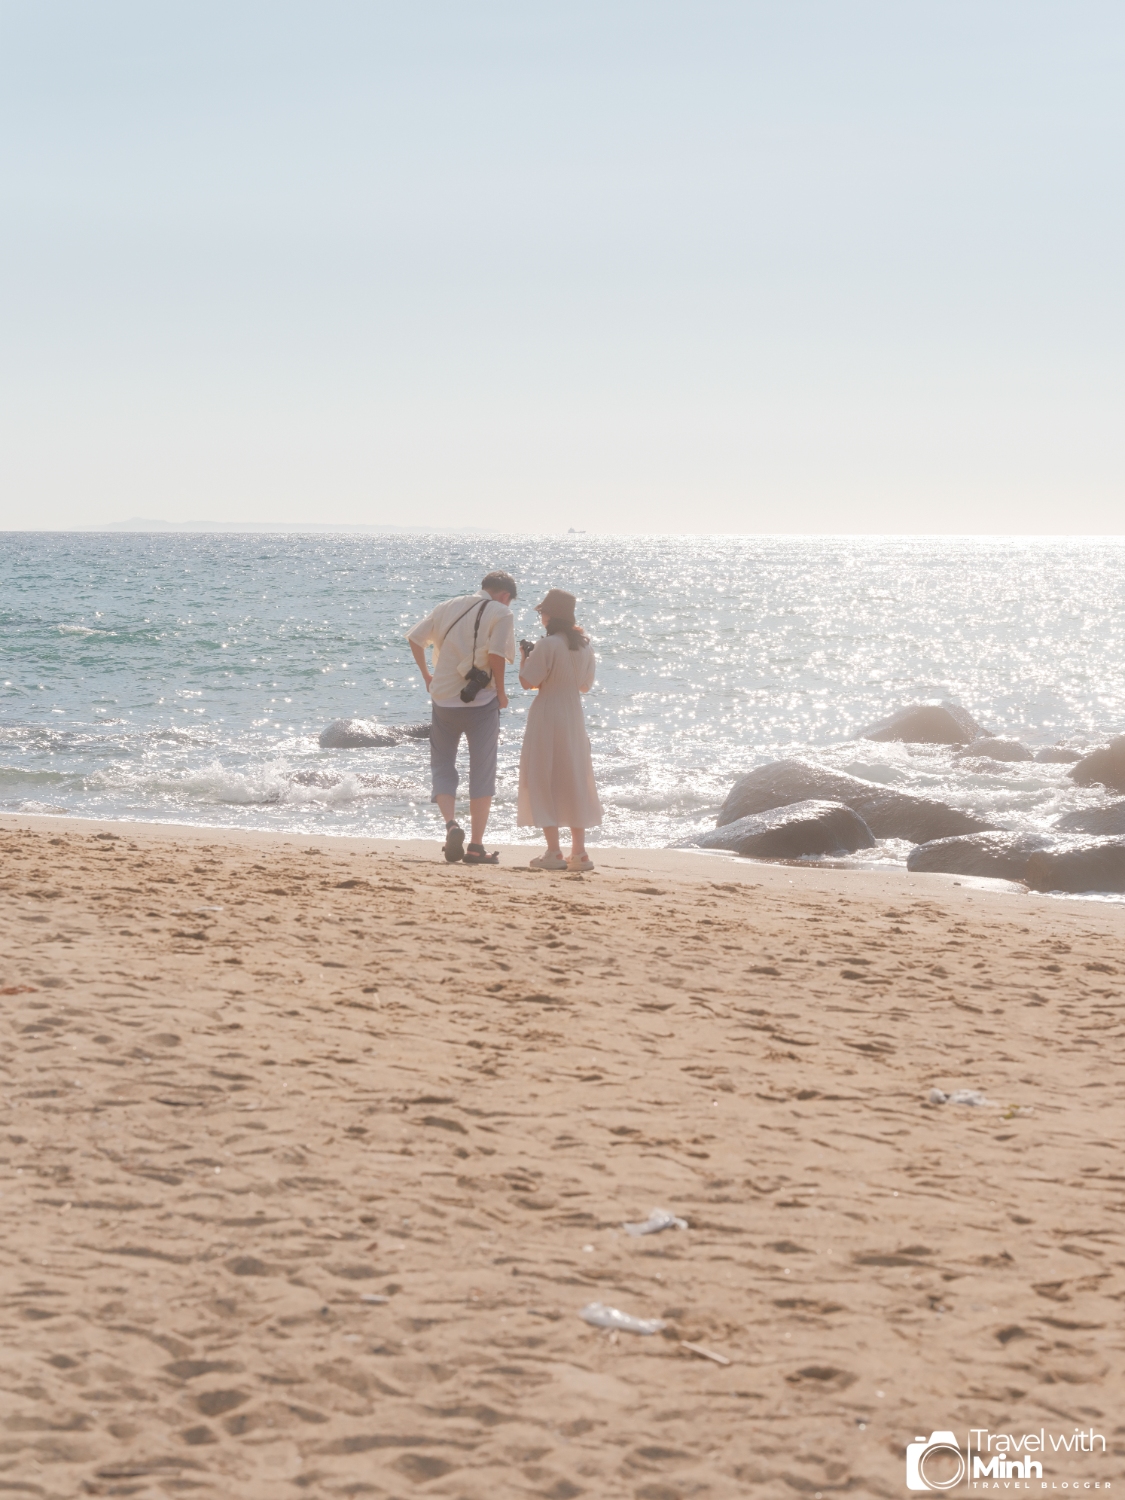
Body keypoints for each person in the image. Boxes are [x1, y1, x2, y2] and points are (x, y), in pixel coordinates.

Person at [407, 570, 517, 865]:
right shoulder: (501, 613)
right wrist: (503, 694)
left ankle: (451, 825)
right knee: (482, 771)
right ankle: (475, 847)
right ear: (505, 595)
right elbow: (496, 655)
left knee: (442, 765)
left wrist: (427, 676)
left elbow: (415, 639)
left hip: (443, 700)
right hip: (481, 702)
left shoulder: (447, 607)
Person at [517, 587, 602, 872]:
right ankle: (579, 853)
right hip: (573, 716)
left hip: (547, 714)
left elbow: (528, 682)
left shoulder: (548, 644)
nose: (541, 616)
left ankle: (553, 851)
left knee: (543, 776)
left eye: (542, 612)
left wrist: (524, 657)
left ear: (550, 615)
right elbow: (584, 686)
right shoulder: (585, 646)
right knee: (574, 777)